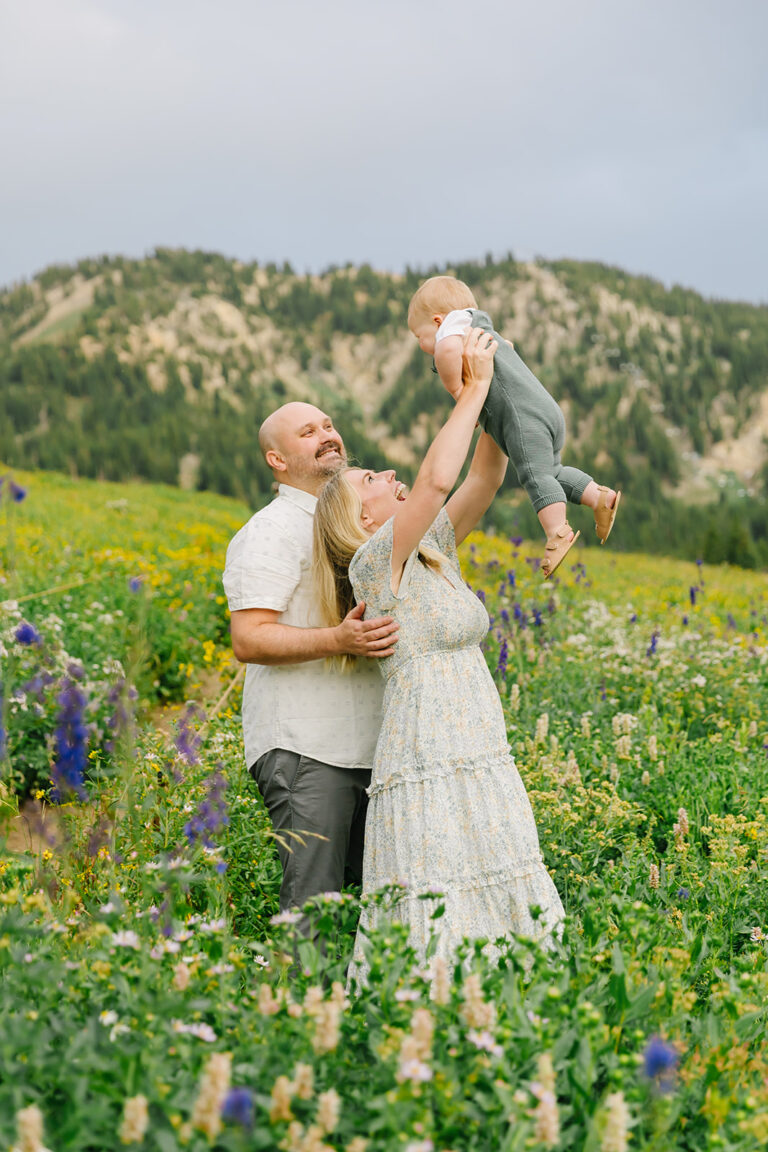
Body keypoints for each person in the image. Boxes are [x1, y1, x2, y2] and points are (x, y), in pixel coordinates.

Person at [313, 330, 564, 980]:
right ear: (360, 519)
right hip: (429, 751)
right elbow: (436, 476)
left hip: (477, 743)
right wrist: (472, 390)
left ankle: (504, 1015)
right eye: (372, 478)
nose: (389, 475)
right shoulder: (375, 563)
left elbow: (485, 471)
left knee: (492, 878)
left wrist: (490, 388)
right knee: (439, 898)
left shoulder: (435, 548)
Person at [222, 402, 399, 917]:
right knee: (314, 910)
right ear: (277, 460)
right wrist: (338, 640)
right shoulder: (272, 530)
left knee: (384, 909)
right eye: (307, 432)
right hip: (308, 747)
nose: (327, 436)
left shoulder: (360, 522)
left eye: (328, 426)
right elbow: (249, 639)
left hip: (374, 748)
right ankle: (303, 998)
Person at [407, 275, 622, 578]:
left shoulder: (451, 332)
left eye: (419, 336)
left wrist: (459, 393)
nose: (422, 345)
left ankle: (557, 532)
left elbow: (444, 351)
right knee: (551, 471)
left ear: (438, 320)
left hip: (523, 420)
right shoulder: (487, 331)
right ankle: (600, 497)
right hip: (546, 410)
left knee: (534, 477)